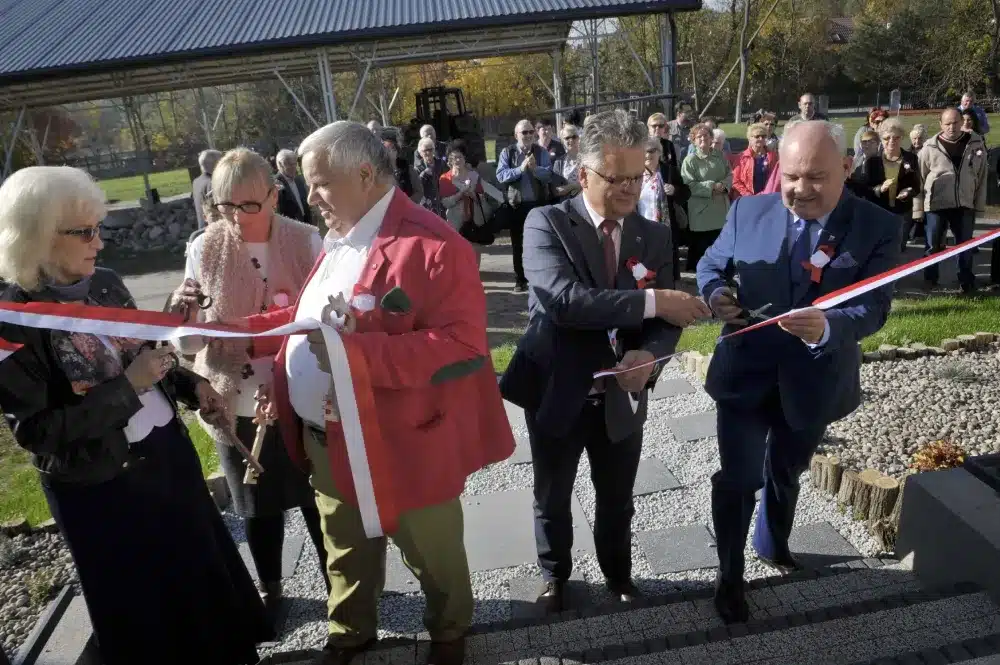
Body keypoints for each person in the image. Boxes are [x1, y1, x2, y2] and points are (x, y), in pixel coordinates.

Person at [239, 121, 515, 665]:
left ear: (365, 174)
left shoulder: (436, 245)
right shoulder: (340, 237)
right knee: (344, 547)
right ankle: (350, 633)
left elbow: (462, 345)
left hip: (403, 440)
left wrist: (354, 357)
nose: (308, 195)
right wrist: (237, 331)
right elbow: (309, 318)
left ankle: (449, 631)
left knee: (432, 551)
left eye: (319, 183)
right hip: (328, 437)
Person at [0, 166, 272, 665]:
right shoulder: (10, 318)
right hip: (103, 489)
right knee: (148, 614)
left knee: (202, 580)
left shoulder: (103, 282)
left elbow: (145, 356)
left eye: (97, 228)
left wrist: (193, 385)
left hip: (167, 460)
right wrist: (129, 388)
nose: (98, 244)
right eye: (84, 232)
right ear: (38, 235)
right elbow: (38, 433)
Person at [500, 109, 710, 614]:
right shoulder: (545, 223)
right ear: (583, 174)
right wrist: (656, 300)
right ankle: (556, 576)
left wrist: (651, 355)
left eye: (638, 176)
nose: (628, 189)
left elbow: (666, 323)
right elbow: (565, 302)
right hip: (558, 388)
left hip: (622, 393)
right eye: (616, 178)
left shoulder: (653, 236)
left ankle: (619, 574)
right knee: (552, 494)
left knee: (617, 497)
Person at [696, 121, 900, 624]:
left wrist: (828, 326)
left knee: (786, 472)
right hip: (745, 374)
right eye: (791, 176)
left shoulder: (877, 226)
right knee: (739, 478)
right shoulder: (748, 210)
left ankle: (774, 543)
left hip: (814, 377)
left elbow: (873, 307)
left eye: (815, 177)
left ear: (846, 170)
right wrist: (715, 293)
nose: (799, 189)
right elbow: (710, 265)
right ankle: (729, 575)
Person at [168, 148, 330, 625]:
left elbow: (323, 320)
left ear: (274, 196)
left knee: (317, 499)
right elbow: (191, 341)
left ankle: (341, 590)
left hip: (299, 395)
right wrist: (185, 314)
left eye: (249, 206)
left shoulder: (308, 241)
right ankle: (272, 591)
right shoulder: (204, 248)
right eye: (225, 207)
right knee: (257, 507)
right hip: (234, 402)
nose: (236, 218)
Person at [919, 108, 988, 293]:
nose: (952, 127)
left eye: (955, 122)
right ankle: (930, 279)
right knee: (932, 246)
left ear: (962, 122)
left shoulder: (976, 144)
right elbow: (920, 178)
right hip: (936, 205)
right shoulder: (929, 147)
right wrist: (918, 210)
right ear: (941, 124)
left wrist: (978, 207)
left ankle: (966, 281)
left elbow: (981, 177)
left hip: (964, 204)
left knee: (965, 245)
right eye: (947, 123)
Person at [496, 119, 553, 292]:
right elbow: (500, 175)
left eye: (530, 132)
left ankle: (539, 278)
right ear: (516, 135)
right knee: (518, 243)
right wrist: (519, 169)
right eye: (524, 132)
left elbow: (549, 175)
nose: (528, 136)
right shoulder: (508, 152)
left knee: (540, 242)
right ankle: (520, 279)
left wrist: (535, 169)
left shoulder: (541, 152)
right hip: (517, 205)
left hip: (538, 204)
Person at [849, 118, 921, 252]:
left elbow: (917, 186)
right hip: (879, 211)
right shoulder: (872, 162)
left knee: (899, 249)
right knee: (879, 250)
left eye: (896, 137)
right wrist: (879, 189)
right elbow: (864, 190)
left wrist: (908, 191)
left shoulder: (911, 159)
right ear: (881, 140)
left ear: (902, 138)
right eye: (887, 138)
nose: (891, 141)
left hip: (902, 212)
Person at [439, 140, 502, 267]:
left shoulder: (474, 176)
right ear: (449, 161)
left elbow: (485, 198)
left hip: (475, 221)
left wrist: (474, 195)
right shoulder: (445, 178)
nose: (457, 160)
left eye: (460, 157)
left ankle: (476, 281)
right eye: (454, 157)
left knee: (474, 255)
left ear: (464, 158)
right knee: (458, 257)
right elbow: (445, 203)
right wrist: (460, 194)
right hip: (455, 224)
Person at [681, 122, 733, 270]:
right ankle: (701, 273)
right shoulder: (690, 160)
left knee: (720, 243)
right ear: (694, 140)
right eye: (699, 136)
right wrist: (712, 186)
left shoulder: (720, 156)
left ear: (711, 138)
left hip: (719, 209)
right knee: (701, 247)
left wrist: (724, 185)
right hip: (701, 211)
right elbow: (689, 184)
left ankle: (721, 272)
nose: (703, 138)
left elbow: (730, 174)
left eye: (706, 135)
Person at [647, 112, 690, 281]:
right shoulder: (634, 171)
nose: (649, 155)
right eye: (654, 126)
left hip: (665, 218)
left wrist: (674, 189)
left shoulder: (668, 162)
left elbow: (684, 190)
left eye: (661, 126)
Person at [731, 122, 778, 199]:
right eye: (757, 136)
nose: (761, 139)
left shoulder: (772, 156)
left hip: (767, 197)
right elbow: (735, 181)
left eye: (763, 136)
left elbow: (776, 177)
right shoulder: (742, 157)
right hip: (746, 198)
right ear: (750, 138)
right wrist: (748, 195)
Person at [381, 132, 423, 204]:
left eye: (393, 148)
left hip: (410, 209)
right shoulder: (381, 174)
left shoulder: (408, 168)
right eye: (388, 149)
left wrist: (406, 203)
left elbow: (419, 191)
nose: (392, 151)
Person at [275, 148, 314, 227]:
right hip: (290, 227)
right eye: (289, 164)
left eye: (294, 164)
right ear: (280, 164)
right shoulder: (275, 184)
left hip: (307, 224)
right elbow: (279, 212)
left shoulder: (299, 180)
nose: (294, 167)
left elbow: (304, 203)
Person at [638, 138, 670, 223]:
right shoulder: (635, 174)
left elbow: (685, 192)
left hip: (663, 226)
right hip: (641, 224)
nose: (647, 155)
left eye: (651, 151)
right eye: (645, 151)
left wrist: (675, 189)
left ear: (659, 152)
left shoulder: (669, 171)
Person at [550, 124, 583, 203]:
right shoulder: (559, 163)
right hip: (567, 206)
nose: (571, 140)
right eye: (567, 138)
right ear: (562, 141)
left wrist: (567, 188)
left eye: (574, 137)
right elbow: (556, 191)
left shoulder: (587, 159)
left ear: (579, 138)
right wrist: (574, 186)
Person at [416, 137, 448, 217]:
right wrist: (424, 174)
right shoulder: (418, 168)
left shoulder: (441, 163)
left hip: (443, 204)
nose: (428, 153)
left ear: (434, 150)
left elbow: (448, 180)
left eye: (430, 149)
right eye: (425, 150)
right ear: (420, 153)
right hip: (428, 207)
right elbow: (417, 187)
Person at [193, 149, 221, 229]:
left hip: (202, 229)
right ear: (217, 164)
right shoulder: (213, 183)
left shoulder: (196, 181)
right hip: (215, 230)